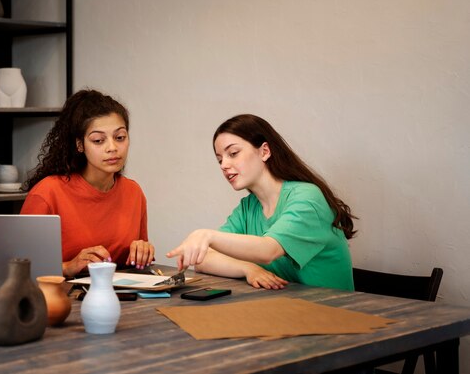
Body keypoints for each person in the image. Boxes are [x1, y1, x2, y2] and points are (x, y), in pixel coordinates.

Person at [166, 114, 357, 291]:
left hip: (332, 313)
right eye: (219, 159)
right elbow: (202, 259)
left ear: (264, 151)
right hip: (286, 309)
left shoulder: (307, 197)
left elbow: (269, 249)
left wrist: (206, 235)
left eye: (233, 153)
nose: (224, 165)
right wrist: (248, 269)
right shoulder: (248, 207)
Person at [21, 89, 154, 278]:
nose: (112, 148)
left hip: (122, 299)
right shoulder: (47, 193)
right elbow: (19, 268)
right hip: (62, 299)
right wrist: (67, 266)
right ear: (80, 145)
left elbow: (135, 267)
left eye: (120, 137)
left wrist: (142, 253)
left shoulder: (133, 192)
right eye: (98, 140)